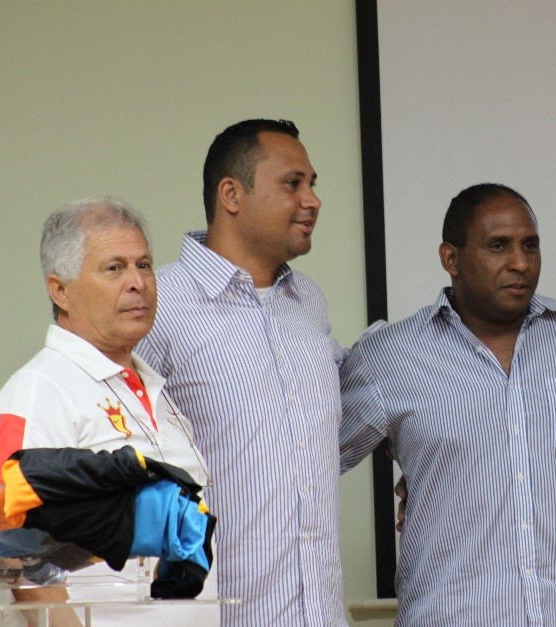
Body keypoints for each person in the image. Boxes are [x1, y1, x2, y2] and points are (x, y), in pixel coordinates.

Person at [338, 183, 556, 625]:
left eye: (530, 246)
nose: (520, 263)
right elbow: (308, 460)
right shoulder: (390, 356)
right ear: (450, 258)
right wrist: (421, 459)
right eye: (499, 246)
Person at [135, 119, 347, 625]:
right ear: (232, 194)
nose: (312, 200)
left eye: (313, 184)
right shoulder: (157, 305)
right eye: (293, 184)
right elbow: (117, 466)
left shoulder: (308, 302)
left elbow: (320, 441)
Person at [0, 197, 219, 626]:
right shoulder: (39, 390)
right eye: (114, 268)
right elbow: (21, 555)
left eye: (144, 265)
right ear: (60, 290)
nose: (138, 282)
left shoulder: (153, 387)